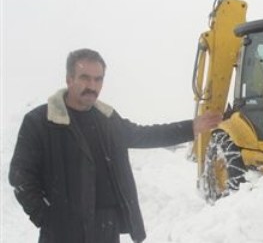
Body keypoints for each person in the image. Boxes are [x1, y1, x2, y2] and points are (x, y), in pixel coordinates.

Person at [9, 48, 222, 243]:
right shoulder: (41, 121)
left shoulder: (107, 119)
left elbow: (145, 134)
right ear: (69, 79)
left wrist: (191, 127)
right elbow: (21, 176)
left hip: (105, 229)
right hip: (63, 232)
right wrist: (47, 218)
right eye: (85, 78)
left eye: (98, 79)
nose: (92, 86)